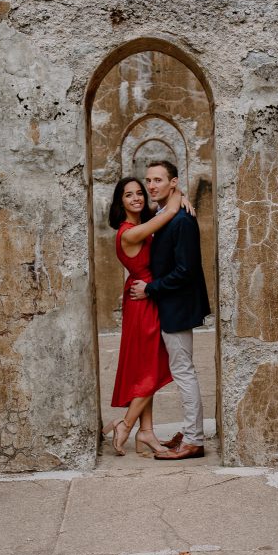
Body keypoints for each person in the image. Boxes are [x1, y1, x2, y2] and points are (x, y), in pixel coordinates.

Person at [130, 160, 210, 461]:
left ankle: (193, 440)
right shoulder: (165, 213)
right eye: (148, 180)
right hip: (168, 307)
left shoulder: (182, 221)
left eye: (158, 180)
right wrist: (179, 199)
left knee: (184, 372)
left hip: (176, 308)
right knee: (181, 370)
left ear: (173, 182)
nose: (151, 186)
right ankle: (191, 434)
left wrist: (150, 289)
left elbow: (186, 271)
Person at [104, 176, 188, 458]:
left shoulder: (139, 226)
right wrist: (178, 197)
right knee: (152, 369)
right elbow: (171, 212)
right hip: (143, 302)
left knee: (146, 370)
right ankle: (126, 424)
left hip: (147, 296)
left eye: (140, 193)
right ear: (120, 202)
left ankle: (147, 431)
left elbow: (169, 209)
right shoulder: (128, 232)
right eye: (129, 195)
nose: (137, 198)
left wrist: (182, 195)